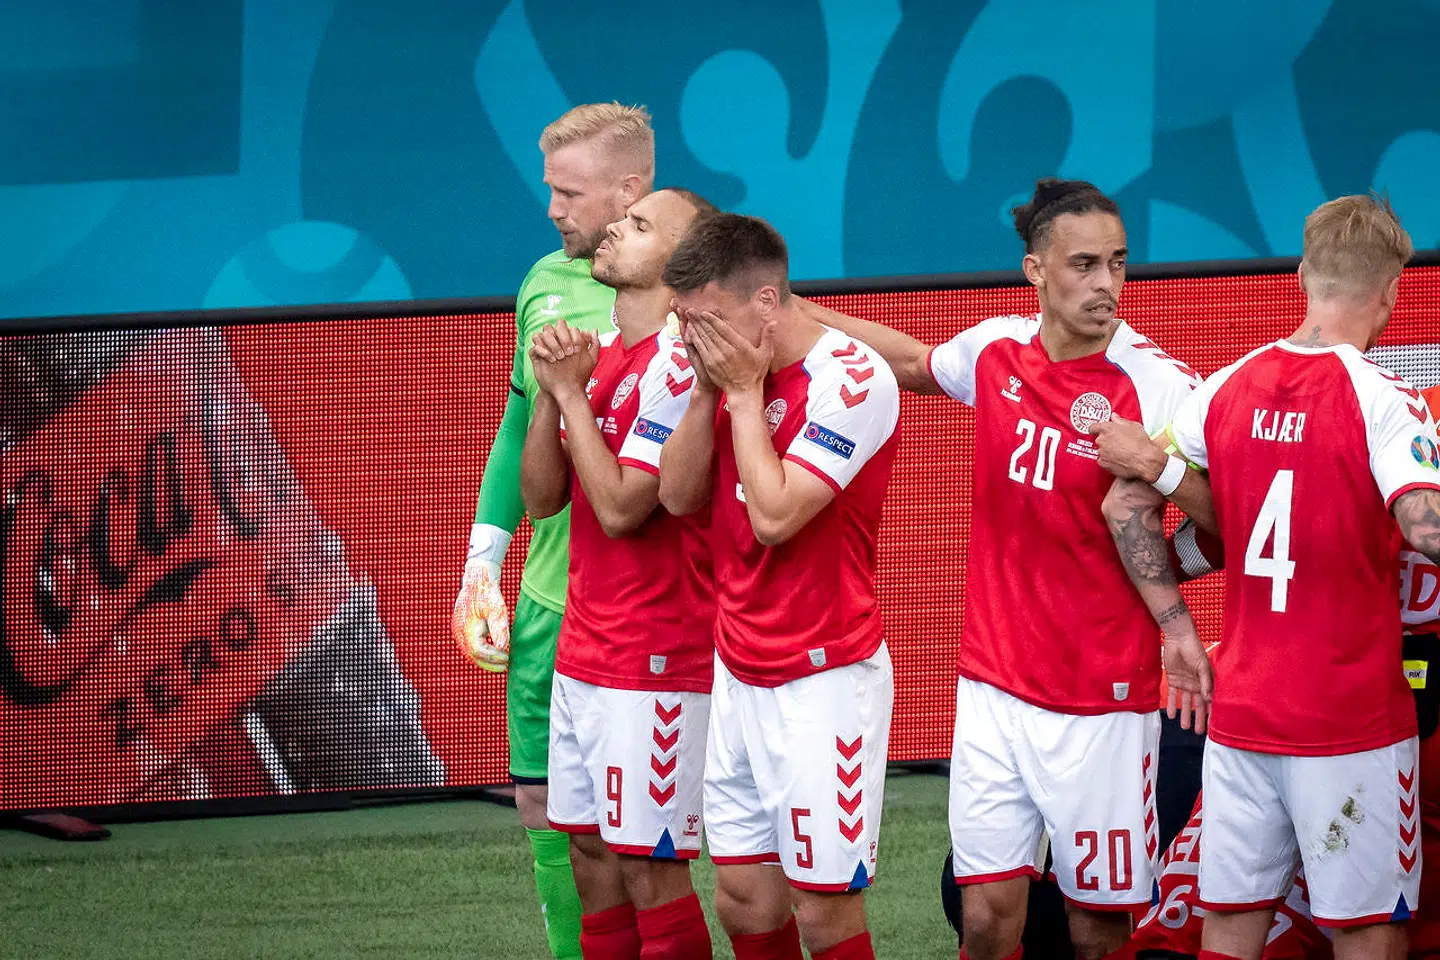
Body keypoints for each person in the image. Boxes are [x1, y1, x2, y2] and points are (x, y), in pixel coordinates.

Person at [801, 178, 1202, 960]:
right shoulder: (995, 350)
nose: (1105, 284)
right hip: (992, 691)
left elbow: (1228, 517)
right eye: (1083, 265)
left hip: (1104, 703)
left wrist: (1157, 472)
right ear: (1035, 272)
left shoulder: (1161, 385)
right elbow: (914, 365)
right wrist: (791, 309)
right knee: (985, 917)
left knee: (1097, 928)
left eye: (1118, 264)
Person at [1095, 194, 1440, 960]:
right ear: (1391, 291)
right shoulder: (1387, 399)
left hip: (1244, 712)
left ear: (1301, 275)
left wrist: (1175, 628)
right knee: (1366, 933)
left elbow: (1125, 506)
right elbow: (1425, 526)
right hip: (1349, 721)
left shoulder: (1223, 386)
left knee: (1229, 927)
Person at [657, 214, 900, 960]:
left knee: (823, 912)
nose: (686, 335)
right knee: (743, 899)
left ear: (765, 303)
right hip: (739, 670)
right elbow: (675, 497)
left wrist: (737, 395)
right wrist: (706, 394)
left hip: (823, 677)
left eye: (701, 320)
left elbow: (775, 516)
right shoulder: (718, 372)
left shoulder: (854, 381)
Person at [451, 102, 655, 959]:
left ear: (630, 190)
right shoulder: (543, 279)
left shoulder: (694, 295)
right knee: (544, 810)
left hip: (650, 612)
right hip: (547, 605)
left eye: (570, 193)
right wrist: (481, 563)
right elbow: (515, 420)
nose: (553, 209)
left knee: (657, 832)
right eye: (551, 189)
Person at [518, 187, 717, 959]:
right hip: (586, 650)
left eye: (638, 226)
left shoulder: (676, 366)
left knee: (649, 869)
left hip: (656, 657)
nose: (612, 230)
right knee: (591, 857)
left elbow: (625, 508)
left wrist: (571, 394)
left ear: (682, 263)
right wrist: (551, 394)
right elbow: (543, 501)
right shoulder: (602, 356)